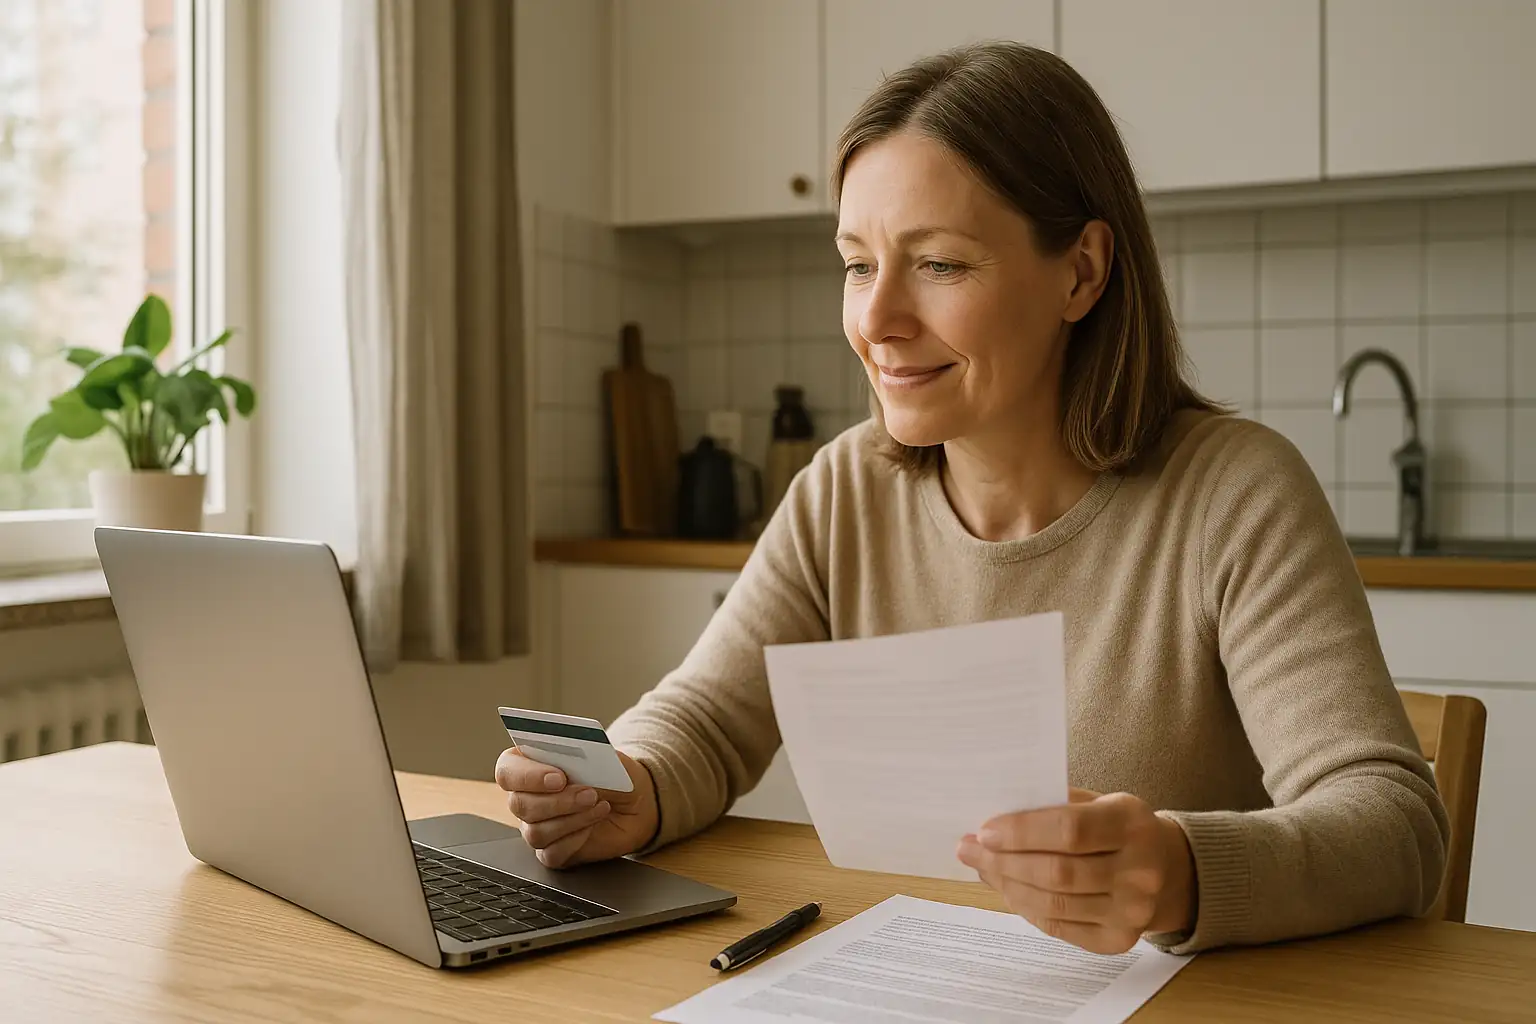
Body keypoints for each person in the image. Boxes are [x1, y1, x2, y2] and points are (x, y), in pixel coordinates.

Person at [495, 42, 1449, 956]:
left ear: (1081, 271)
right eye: (858, 264)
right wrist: (630, 784)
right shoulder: (845, 489)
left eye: (940, 264)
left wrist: (1184, 872)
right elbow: (703, 720)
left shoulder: (1233, 495)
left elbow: (1395, 826)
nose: (875, 320)